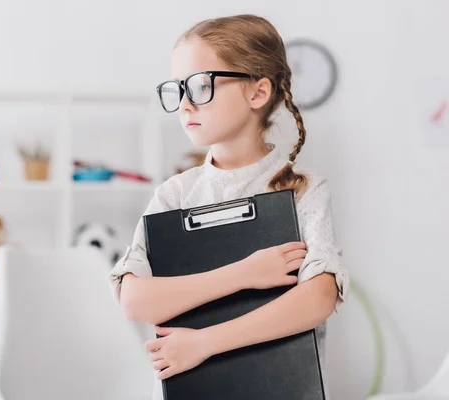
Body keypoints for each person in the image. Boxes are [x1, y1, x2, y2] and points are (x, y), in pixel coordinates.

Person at [108, 14, 349, 399]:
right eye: (178, 88)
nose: (185, 104)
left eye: (201, 85)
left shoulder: (304, 189)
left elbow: (318, 298)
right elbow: (134, 300)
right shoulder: (174, 195)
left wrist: (204, 343)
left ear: (258, 93)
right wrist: (245, 273)